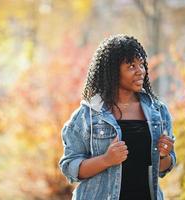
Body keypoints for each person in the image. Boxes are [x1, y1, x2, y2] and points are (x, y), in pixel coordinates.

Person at [58, 34, 176, 200]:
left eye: (141, 64)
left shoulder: (158, 111)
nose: (140, 71)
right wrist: (106, 160)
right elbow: (70, 167)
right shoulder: (89, 115)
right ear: (112, 71)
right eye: (131, 66)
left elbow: (164, 168)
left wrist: (164, 155)